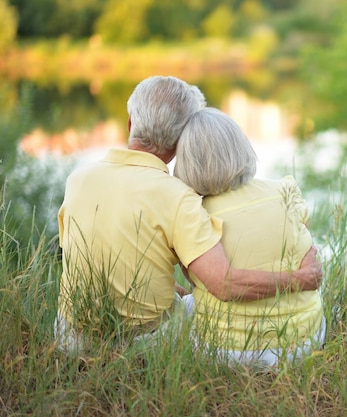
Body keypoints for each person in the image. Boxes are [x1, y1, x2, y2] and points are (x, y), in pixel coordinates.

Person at [55, 76, 322, 353]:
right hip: (144, 342)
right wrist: (301, 279)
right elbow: (225, 284)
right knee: (205, 306)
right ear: (182, 141)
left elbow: (98, 252)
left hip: (71, 335)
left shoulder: (78, 178)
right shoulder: (178, 196)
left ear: (130, 123)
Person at [173, 107, 325, 367]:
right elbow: (304, 249)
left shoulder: (191, 216)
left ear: (186, 162)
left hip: (226, 351)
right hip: (306, 342)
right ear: (241, 146)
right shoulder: (285, 190)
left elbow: (196, 281)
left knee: (181, 305)